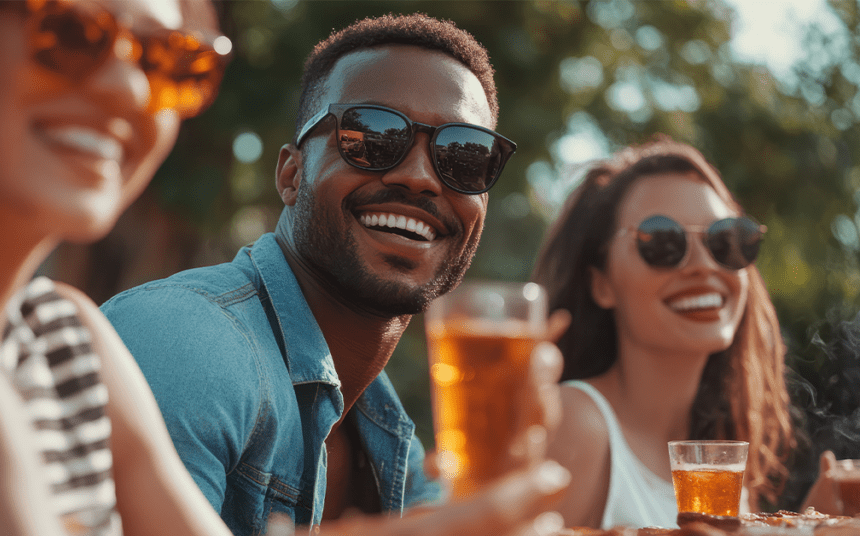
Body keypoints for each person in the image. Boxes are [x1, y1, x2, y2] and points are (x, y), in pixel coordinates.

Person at [0, 3, 568, 536]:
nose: (129, 86)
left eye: (170, 58)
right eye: (70, 30)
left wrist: (497, 493)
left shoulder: (72, 345)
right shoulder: (183, 341)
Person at [101, 12, 569, 536]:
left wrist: (498, 489)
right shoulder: (187, 339)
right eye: (373, 134)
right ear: (291, 173)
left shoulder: (388, 436)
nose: (418, 177)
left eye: (465, 156)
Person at [531, 138, 795, 529]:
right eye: (663, 241)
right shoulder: (576, 422)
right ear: (601, 282)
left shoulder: (718, 462)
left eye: (725, 240)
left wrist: (816, 522)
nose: (703, 265)